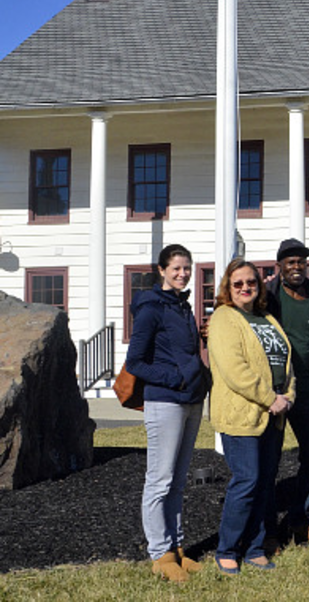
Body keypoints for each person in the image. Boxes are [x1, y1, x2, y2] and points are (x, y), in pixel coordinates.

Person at [124, 243, 210, 582]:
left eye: (186, 267)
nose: (182, 273)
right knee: (159, 480)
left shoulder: (182, 306)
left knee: (177, 480)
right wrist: (174, 378)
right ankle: (160, 553)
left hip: (190, 400)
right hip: (165, 400)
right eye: (175, 268)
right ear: (161, 270)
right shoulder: (151, 308)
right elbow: (135, 362)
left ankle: (177, 548)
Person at [208, 259, 296, 574]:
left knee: (265, 483)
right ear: (228, 289)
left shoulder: (266, 317)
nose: (246, 288)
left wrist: (288, 396)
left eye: (251, 283)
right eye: (238, 284)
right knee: (247, 480)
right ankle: (227, 549)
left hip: (273, 413)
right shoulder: (223, 318)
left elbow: (285, 362)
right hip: (242, 413)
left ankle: (256, 548)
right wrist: (269, 398)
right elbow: (235, 371)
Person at [264, 238, 309, 546]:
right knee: (267, 462)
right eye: (289, 262)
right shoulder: (266, 296)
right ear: (279, 266)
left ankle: (301, 520)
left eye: (301, 262)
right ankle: (265, 528)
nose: (296, 267)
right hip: (274, 395)